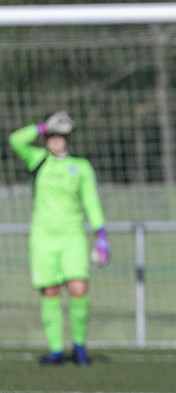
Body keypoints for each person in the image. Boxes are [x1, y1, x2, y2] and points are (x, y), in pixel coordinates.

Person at [9, 111, 110, 366]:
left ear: (68, 138)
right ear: (46, 138)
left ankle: (79, 347)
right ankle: (55, 350)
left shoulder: (81, 167)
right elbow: (15, 140)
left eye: (61, 135)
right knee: (50, 291)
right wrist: (41, 126)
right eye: (52, 135)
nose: (56, 139)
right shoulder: (37, 160)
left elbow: (91, 202)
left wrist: (101, 235)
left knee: (78, 288)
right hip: (43, 238)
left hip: (73, 236)